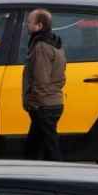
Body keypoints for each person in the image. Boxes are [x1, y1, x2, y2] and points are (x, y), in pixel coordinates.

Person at [23, 8, 67, 161]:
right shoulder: (55, 42)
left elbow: (41, 80)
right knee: (36, 148)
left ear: (39, 26)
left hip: (44, 105)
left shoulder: (41, 46)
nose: (26, 24)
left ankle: (59, 173)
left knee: (49, 148)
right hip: (53, 102)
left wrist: (35, 105)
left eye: (29, 22)